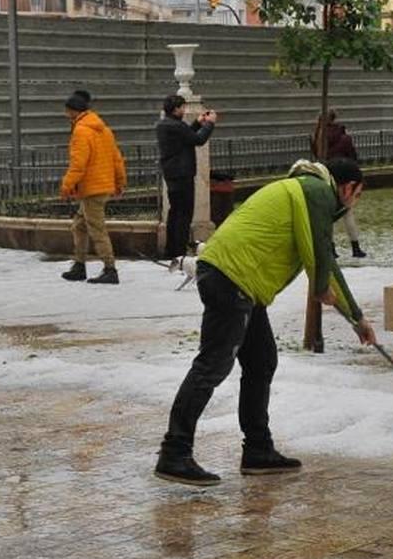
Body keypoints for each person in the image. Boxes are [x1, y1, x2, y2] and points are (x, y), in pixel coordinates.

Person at [155, 157, 376, 487]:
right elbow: (319, 258)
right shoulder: (316, 191)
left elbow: (324, 260)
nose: (355, 201)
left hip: (241, 280)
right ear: (348, 187)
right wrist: (321, 290)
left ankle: (257, 450)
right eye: (358, 194)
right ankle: (174, 452)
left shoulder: (306, 192)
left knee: (261, 362)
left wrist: (356, 319)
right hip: (232, 276)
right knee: (211, 366)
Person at [59, 89, 127, 285]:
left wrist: (66, 186)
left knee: (97, 229)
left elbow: (78, 164)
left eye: (67, 111)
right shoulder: (103, 129)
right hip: (102, 186)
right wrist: (120, 181)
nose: (65, 115)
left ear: (73, 111)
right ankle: (79, 265)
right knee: (78, 226)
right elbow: (117, 158)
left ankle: (110, 269)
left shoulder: (81, 131)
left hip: (92, 189)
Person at [156, 94, 217, 269]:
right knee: (184, 214)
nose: (184, 110)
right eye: (182, 107)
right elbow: (197, 139)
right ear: (175, 109)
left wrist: (198, 123)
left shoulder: (164, 125)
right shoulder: (176, 126)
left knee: (174, 213)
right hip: (183, 174)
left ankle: (171, 249)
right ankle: (179, 251)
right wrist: (210, 123)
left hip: (172, 174)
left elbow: (186, 136)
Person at [311, 109, 367, 258]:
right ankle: (356, 248)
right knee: (347, 212)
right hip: (348, 171)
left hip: (328, 172)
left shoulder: (317, 136)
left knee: (328, 214)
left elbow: (317, 155)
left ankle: (332, 249)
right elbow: (353, 155)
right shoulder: (345, 137)